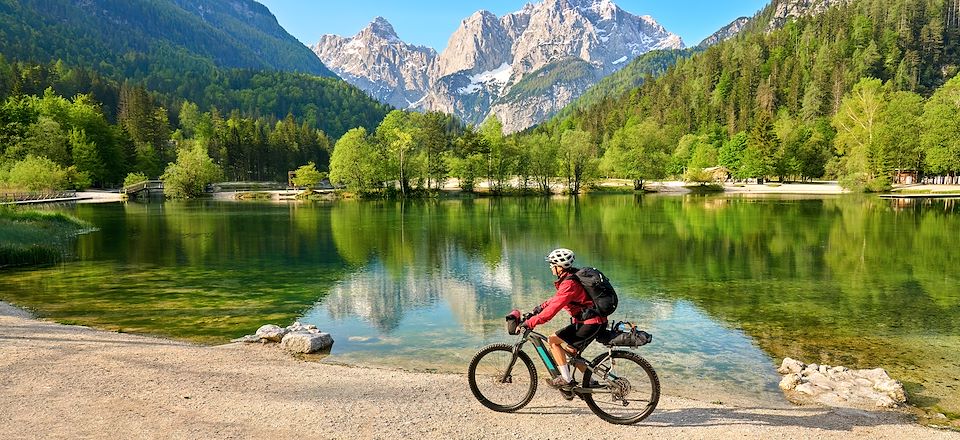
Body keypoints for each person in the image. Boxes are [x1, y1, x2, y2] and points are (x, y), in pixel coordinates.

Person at [522, 248, 607, 389]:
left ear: (559, 267)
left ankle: (566, 380)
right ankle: (589, 383)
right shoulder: (572, 277)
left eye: (552, 264)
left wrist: (530, 322)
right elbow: (557, 299)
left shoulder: (569, 284)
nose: (550, 267)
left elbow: (552, 311)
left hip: (589, 323)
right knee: (571, 353)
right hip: (596, 321)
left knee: (553, 341)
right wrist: (539, 308)